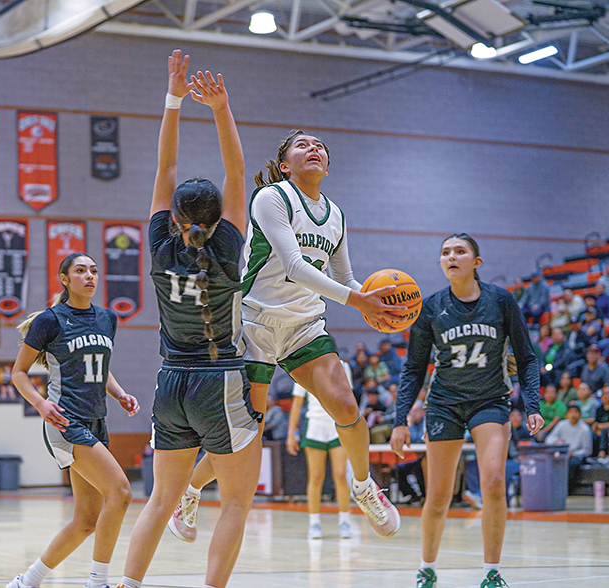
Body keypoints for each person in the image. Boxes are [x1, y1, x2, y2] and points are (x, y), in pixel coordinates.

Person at [168, 128, 405, 540]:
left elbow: (344, 277)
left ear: (327, 164)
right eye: (303, 145)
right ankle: (190, 493)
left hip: (304, 324)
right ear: (284, 165)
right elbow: (294, 265)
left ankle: (364, 488)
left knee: (347, 407)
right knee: (247, 432)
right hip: (256, 321)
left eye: (320, 146)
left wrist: (373, 304)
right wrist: (357, 300)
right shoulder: (272, 198)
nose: (314, 148)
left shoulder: (336, 214)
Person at [116, 51, 260, 588]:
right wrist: (220, 108)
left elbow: (165, 170)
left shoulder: (158, 246)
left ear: (173, 218)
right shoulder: (227, 244)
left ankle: (127, 584)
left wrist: (174, 96)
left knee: (160, 500)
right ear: (218, 214)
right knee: (237, 503)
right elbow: (238, 172)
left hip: (169, 383)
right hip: (218, 380)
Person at [391, 233, 542, 588]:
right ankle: (427, 567)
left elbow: (527, 357)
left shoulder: (501, 301)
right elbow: (414, 368)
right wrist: (400, 420)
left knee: (492, 482)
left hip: (490, 400)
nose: (451, 257)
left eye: (460, 251)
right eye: (445, 253)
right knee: (439, 493)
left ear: (477, 262)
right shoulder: (429, 307)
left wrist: (532, 404)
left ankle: (492, 572)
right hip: (444, 402)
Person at [6, 252, 139, 588]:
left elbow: (98, 366)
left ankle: (26, 581)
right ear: (64, 279)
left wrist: (120, 393)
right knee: (121, 492)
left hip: (96, 420)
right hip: (66, 421)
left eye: (93, 271)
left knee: (86, 521)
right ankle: (98, 582)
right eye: (81, 271)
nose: (90, 276)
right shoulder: (50, 320)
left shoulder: (108, 318)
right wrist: (39, 403)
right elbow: (18, 373)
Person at [286, 360, 355, 540]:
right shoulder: (301, 366)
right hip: (315, 424)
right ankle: (314, 522)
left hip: (337, 423)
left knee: (340, 474)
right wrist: (291, 434)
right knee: (316, 476)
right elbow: (297, 403)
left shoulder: (342, 365)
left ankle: (345, 521)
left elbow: (349, 395)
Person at [545, 404, 593, 487]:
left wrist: (573, 454)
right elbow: (548, 439)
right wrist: (556, 440)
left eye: (576, 412)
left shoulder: (584, 429)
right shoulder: (561, 424)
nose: (573, 415)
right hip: (562, 452)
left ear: (580, 415)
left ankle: (564, 487)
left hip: (577, 456)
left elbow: (587, 450)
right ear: (566, 415)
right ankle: (548, 485)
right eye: (571, 412)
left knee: (571, 463)